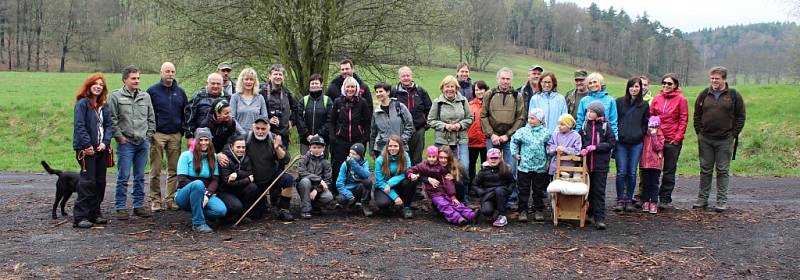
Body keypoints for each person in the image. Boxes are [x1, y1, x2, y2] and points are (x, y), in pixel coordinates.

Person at [693, 66, 746, 212]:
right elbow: (697, 114)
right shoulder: (704, 94)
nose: (714, 81)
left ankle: (721, 201)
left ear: (724, 79)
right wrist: (699, 132)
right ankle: (702, 199)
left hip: (724, 139)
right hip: (705, 139)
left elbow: (741, 116)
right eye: (712, 78)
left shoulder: (734, 95)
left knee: (722, 170)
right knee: (705, 170)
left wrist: (733, 134)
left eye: (717, 78)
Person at [109, 65, 155, 220]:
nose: (137, 81)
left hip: (142, 142)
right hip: (126, 142)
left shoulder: (145, 96)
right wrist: (119, 137)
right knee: (124, 175)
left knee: (140, 176)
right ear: (125, 79)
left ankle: (138, 205)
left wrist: (148, 136)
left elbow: (151, 118)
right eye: (133, 78)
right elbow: (112, 119)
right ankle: (120, 206)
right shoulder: (115, 96)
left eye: (138, 78)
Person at [72, 73, 113, 228]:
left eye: (101, 84)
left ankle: (94, 213)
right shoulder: (82, 104)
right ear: (89, 86)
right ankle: (80, 217)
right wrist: (87, 145)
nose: (98, 86)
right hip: (85, 150)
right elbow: (80, 126)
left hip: (101, 149)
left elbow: (109, 126)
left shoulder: (104, 106)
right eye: (95, 83)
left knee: (100, 182)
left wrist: (105, 142)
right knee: (87, 182)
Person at [481, 67, 525, 209]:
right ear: (498, 79)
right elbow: (483, 116)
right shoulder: (489, 94)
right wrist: (491, 134)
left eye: (508, 79)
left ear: (511, 80)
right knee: (491, 168)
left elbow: (520, 118)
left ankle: (511, 199)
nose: (505, 81)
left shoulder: (517, 96)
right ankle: (491, 198)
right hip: (492, 137)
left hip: (509, 138)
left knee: (510, 168)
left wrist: (508, 135)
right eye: (503, 78)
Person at [146, 62, 188, 211]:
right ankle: (155, 200)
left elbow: (186, 113)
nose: (170, 74)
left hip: (175, 135)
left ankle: (170, 199)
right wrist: (150, 132)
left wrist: (182, 131)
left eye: (172, 71)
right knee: (155, 170)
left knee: (174, 170)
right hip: (158, 134)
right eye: (167, 71)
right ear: (161, 72)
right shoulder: (152, 91)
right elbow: (146, 112)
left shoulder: (180, 92)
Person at [175, 128, 227, 233]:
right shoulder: (186, 155)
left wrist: (207, 194)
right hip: (184, 194)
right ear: (196, 141)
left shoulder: (213, 157)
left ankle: (198, 212)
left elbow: (215, 179)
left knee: (221, 211)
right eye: (201, 140)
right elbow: (181, 179)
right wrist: (201, 191)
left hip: (205, 193)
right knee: (198, 184)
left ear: (210, 141)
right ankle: (198, 223)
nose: (204, 143)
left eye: (206, 140)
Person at [407, 146, 476, 225]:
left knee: (454, 202)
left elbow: (461, 181)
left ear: (449, 158)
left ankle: (471, 215)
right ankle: (457, 218)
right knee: (444, 205)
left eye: (445, 158)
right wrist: (418, 176)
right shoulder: (424, 165)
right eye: (441, 157)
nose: (442, 160)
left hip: (447, 192)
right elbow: (414, 171)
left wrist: (453, 192)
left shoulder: (449, 168)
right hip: (434, 194)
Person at [650, 73, 688, 210]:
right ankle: (650, 197)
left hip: (672, 139)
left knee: (669, 170)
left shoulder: (681, 100)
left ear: (675, 85)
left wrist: (678, 138)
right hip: (657, 138)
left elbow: (683, 119)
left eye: (669, 84)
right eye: (664, 83)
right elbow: (651, 116)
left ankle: (665, 198)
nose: (666, 85)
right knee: (653, 168)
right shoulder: (656, 98)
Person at [328, 76, 372, 189]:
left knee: (356, 165)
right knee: (338, 165)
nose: (350, 89)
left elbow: (367, 121)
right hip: (341, 139)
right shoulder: (338, 102)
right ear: (344, 88)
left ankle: (357, 190)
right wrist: (333, 137)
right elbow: (332, 121)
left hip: (357, 140)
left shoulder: (362, 102)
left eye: (353, 87)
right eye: (348, 87)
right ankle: (336, 190)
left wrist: (365, 137)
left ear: (356, 88)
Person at [248, 117, 295, 221]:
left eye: (263, 129)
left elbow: (286, 159)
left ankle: (284, 209)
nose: (260, 131)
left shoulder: (273, 138)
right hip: (254, 180)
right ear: (253, 128)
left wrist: (277, 148)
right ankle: (262, 204)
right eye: (258, 128)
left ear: (268, 128)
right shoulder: (246, 138)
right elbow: (229, 148)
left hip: (271, 177)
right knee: (256, 216)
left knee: (288, 179)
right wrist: (220, 155)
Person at [613, 77, 649, 212]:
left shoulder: (644, 105)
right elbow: (614, 120)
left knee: (632, 173)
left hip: (636, 143)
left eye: (637, 87)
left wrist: (640, 133)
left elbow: (645, 122)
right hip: (621, 142)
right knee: (621, 172)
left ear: (641, 89)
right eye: (632, 86)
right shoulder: (619, 102)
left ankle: (629, 199)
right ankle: (620, 199)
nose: (634, 89)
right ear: (628, 87)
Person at [579, 101, 615, 230]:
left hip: (600, 165)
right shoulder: (584, 126)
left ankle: (600, 218)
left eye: (592, 112)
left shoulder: (605, 126)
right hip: (587, 164)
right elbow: (579, 141)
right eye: (588, 111)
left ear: (598, 113)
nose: (589, 114)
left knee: (599, 191)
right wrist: (582, 149)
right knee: (588, 190)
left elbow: (611, 143)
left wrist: (597, 147)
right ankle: (588, 214)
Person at [510, 109, 551, 222]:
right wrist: (515, 153)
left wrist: (548, 160)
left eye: (533, 118)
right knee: (523, 189)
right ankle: (522, 210)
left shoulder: (546, 133)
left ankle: (538, 209)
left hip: (540, 167)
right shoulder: (523, 131)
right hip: (525, 166)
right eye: (529, 118)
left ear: (540, 120)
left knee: (538, 189)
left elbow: (549, 147)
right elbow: (514, 140)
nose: (530, 120)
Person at [427, 75, 473, 172]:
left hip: (460, 140)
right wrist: (444, 126)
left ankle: (462, 186)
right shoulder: (437, 102)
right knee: (442, 169)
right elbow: (430, 121)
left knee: (463, 167)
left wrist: (459, 125)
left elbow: (470, 118)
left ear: (456, 88)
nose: (450, 89)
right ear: (442, 88)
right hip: (443, 141)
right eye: (447, 86)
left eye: (452, 86)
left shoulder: (463, 101)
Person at [390, 66, 432, 164]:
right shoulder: (394, 92)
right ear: (399, 78)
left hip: (418, 129)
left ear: (411, 76)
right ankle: (404, 178)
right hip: (400, 131)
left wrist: (425, 125)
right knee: (402, 158)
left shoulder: (421, 91)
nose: (406, 78)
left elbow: (429, 108)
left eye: (408, 75)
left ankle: (416, 178)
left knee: (417, 158)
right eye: (403, 76)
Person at [217, 135, 260, 224]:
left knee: (253, 187)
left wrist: (237, 173)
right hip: (225, 191)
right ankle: (226, 216)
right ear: (232, 147)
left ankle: (244, 215)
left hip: (238, 187)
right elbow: (228, 183)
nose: (241, 149)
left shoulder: (246, 158)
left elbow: (250, 173)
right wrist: (247, 179)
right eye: (238, 147)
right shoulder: (225, 159)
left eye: (243, 147)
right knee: (236, 206)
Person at [260, 63, 303, 147]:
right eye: (275, 74)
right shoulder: (262, 92)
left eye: (280, 74)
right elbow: (257, 111)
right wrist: (267, 119)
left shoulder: (287, 92)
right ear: (269, 76)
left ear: (283, 77)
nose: (278, 77)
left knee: (283, 158)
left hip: (283, 133)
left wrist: (292, 121)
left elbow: (297, 108)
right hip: (266, 132)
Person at [373, 135, 417, 218]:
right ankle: (393, 202)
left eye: (395, 146)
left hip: (397, 185)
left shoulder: (405, 156)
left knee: (411, 180)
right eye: (390, 146)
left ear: (400, 147)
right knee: (383, 204)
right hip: (383, 187)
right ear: (387, 147)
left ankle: (407, 207)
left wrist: (390, 183)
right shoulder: (380, 160)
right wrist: (395, 196)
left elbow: (407, 173)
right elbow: (379, 182)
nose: (392, 148)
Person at [472, 148, 514, 227]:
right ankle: (493, 211)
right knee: (487, 211)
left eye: (496, 158)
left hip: (501, 194)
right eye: (491, 158)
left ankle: (502, 215)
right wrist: (480, 192)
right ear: (488, 158)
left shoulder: (505, 169)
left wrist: (508, 191)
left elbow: (512, 182)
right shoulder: (483, 171)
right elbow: (474, 184)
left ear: (500, 159)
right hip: (488, 195)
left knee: (499, 190)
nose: (493, 160)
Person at [370, 82, 414, 157]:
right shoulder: (376, 112)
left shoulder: (400, 107)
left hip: (400, 148)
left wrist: (402, 140)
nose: (378, 94)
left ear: (388, 92)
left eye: (381, 91)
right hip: (381, 149)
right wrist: (372, 149)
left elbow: (409, 125)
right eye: (376, 92)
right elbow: (373, 132)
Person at [296, 136, 334, 219]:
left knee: (328, 197)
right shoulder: (304, 158)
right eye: (314, 147)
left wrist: (316, 190)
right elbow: (302, 172)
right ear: (310, 147)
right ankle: (305, 210)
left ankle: (313, 206)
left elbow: (327, 180)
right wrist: (319, 180)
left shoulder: (326, 162)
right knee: (305, 181)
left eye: (319, 147)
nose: (316, 150)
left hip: (318, 189)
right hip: (304, 186)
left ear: (324, 148)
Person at [185, 73, 230, 140]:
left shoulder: (227, 97)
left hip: (222, 137)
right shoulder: (198, 96)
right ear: (207, 83)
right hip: (201, 138)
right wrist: (190, 136)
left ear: (222, 84)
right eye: (213, 83)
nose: (215, 86)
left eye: (218, 84)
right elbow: (189, 117)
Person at [335, 143, 373, 217]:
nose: (351, 156)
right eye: (350, 153)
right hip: (348, 189)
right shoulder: (345, 164)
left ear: (360, 155)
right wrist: (348, 195)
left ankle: (365, 205)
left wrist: (354, 163)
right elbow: (339, 183)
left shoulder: (365, 163)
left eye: (354, 154)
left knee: (368, 182)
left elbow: (366, 175)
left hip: (359, 188)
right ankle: (350, 204)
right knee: (341, 199)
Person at [576, 72, 618, 139]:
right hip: (587, 137)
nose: (592, 85)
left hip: (604, 136)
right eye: (590, 83)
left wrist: (614, 139)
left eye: (595, 82)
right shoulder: (584, 100)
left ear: (601, 83)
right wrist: (577, 137)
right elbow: (580, 121)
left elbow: (613, 122)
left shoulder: (610, 100)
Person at [299, 74, 332, 156]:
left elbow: (330, 120)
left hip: (322, 140)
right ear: (309, 85)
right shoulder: (304, 100)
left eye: (316, 83)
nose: (314, 85)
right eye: (312, 83)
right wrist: (307, 135)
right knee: (305, 166)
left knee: (322, 166)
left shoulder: (327, 100)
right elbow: (299, 119)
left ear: (321, 84)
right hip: (306, 141)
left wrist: (320, 134)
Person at [230, 67, 267, 136]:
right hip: (239, 137)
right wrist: (243, 133)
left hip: (256, 136)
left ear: (254, 82)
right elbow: (232, 118)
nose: (249, 82)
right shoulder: (235, 97)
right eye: (246, 79)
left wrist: (256, 131)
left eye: (251, 79)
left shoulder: (260, 98)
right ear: (242, 81)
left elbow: (264, 118)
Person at [640, 116, 665, 214]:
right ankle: (645, 201)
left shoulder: (660, 135)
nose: (652, 129)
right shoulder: (645, 135)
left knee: (654, 184)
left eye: (654, 127)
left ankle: (654, 202)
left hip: (655, 165)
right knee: (645, 184)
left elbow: (658, 147)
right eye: (650, 127)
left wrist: (654, 136)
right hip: (645, 164)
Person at [466, 80, 489, 182]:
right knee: (471, 164)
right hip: (472, 141)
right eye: (476, 90)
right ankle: (471, 186)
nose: (479, 92)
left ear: (486, 90)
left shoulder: (490, 104)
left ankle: (484, 184)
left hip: (486, 140)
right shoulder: (469, 105)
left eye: (481, 89)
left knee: (486, 164)